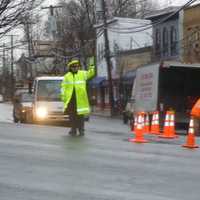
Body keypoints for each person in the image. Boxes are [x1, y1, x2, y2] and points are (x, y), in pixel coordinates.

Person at [61, 59, 95, 136]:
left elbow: (92, 72)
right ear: (70, 67)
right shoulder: (67, 76)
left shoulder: (82, 74)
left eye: (77, 66)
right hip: (71, 100)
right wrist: (63, 97)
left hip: (80, 99)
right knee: (72, 116)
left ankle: (81, 130)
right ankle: (73, 129)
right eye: (74, 67)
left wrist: (92, 62)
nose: (76, 68)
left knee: (80, 116)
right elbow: (63, 87)